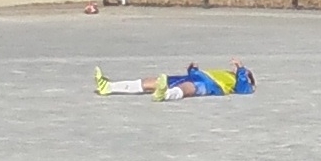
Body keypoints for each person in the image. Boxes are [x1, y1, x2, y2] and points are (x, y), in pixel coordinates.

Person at [95, 60, 254, 99]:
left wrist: (241, 70)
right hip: (198, 76)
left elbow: (244, 90)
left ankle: (166, 95)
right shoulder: (227, 73)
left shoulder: (238, 81)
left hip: (211, 85)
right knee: (154, 80)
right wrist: (193, 69)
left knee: (188, 87)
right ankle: (109, 86)